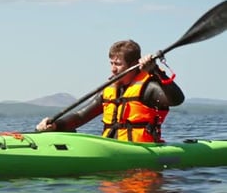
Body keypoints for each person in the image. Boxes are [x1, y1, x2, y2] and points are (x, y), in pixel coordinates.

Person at [36, 40, 184, 143]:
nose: (113, 69)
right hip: (112, 148)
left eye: (118, 64)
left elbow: (176, 99)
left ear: (133, 65)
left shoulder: (148, 88)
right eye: (111, 63)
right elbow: (81, 116)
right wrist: (56, 125)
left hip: (141, 151)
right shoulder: (109, 90)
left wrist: (156, 70)